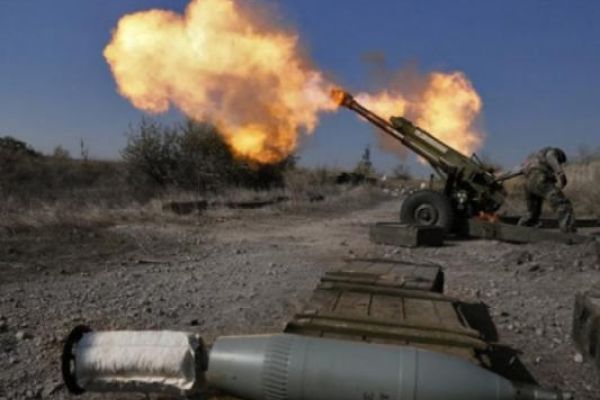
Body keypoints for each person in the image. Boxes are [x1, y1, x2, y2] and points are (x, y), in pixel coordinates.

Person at [498, 147, 575, 233]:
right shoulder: (551, 152)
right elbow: (551, 157)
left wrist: (497, 178)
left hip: (528, 185)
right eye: (560, 161)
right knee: (562, 205)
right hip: (540, 180)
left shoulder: (531, 160)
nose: (560, 163)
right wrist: (560, 173)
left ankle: (521, 231)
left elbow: (514, 171)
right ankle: (569, 233)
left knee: (532, 213)